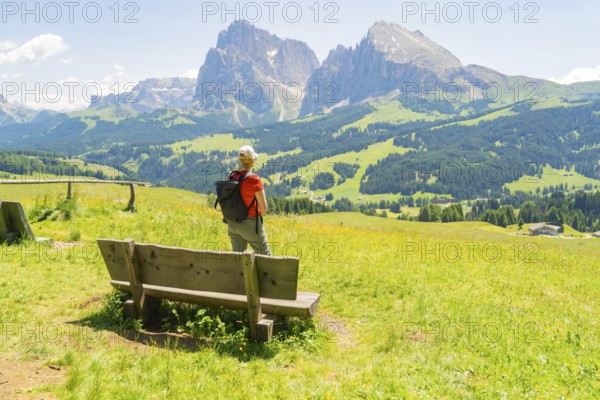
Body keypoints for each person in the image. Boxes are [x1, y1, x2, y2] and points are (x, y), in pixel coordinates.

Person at [226, 145, 271, 256]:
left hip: (233, 224)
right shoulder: (254, 180)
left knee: (238, 260)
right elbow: (264, 209)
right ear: (252, 161)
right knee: (266, 258)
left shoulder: (231, 176)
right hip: (250, 224)